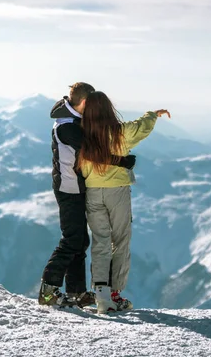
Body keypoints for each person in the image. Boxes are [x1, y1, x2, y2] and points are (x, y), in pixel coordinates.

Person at [39, 83, 135, 307]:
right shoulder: (66, 127)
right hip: (68, 190)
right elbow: (91, 152)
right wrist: (121, 162)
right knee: (72, 239)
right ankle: (48, 290)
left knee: (80, 241)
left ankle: (76, 293)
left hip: (76, 188)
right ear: (84, 103)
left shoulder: (73, 121)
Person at [78, 91, 170, 313]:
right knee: (120, 240)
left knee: (100, 241)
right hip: (117, 192)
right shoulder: (120, 133)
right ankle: (115, 294)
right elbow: (141, 127)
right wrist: (153, 114)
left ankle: (101, 295)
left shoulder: (81, 133)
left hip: (91, 191)